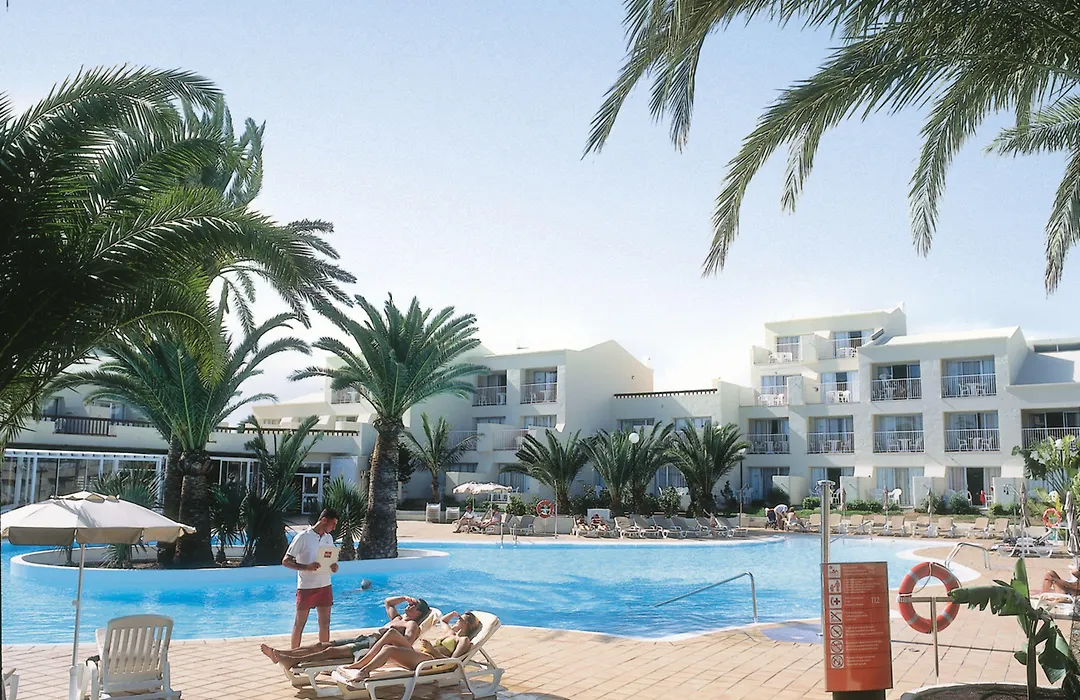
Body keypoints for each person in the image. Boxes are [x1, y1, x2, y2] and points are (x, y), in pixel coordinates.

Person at [260, 595, 432, 669]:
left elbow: (407, 645)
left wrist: (388, 643)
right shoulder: (398, 618)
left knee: (330, 651)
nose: (408, 605)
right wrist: (404, 597)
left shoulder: (411, 625)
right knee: (322, 645)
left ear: (418, 613)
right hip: (365, 639)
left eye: (413, 605)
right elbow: (388, 602)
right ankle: (282, 653)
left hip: (371, 646)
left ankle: (291, 660)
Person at [339, 611, 482, 682]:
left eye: (460, 619)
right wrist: (453, 614)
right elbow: (443, 620)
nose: (456, 620)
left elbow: (453, 663)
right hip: (421, 656)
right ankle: (361, 664)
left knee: (388, 649)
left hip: (430, 662)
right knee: (391, 633)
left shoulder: (463, 640)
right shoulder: (450, 633)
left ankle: (365, 670)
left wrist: (433, 650)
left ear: (466, 624)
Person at [283, 508, 339, 649]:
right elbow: (286, 561)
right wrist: (306, 567)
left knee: (325, 623)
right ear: (324, 520)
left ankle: (323, 656)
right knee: (300, 624)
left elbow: (330, 559)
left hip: (325, 585)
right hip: (306, 587)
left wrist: (333, 566)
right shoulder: (303, 537)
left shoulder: (328, 538)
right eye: (333, 524)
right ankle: (294, 655)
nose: (334, 528)